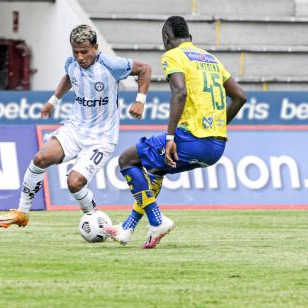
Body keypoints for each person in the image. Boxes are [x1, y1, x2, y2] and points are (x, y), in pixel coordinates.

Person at [104, 16, 247, 249]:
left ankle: (157, 220)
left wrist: (170, 137)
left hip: (191, 139)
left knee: (127, 159)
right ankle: (127, 228)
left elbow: (179, 92)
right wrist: (219, 125)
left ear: (166, 38)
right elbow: (240, 96)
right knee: (157, 169)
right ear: (190, 38)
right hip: (216, 147)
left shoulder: (173, 55)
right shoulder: (210, 59)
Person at [0, 24, 152, 228]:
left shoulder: (111, 64)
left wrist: (140, 100)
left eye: (84, 52)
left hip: (101, 138)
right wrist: (53, 101)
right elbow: (69, 76)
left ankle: (93, 215)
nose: (79, 57)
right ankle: (22, 213)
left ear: (95, 47)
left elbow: (145, 69)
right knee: (41, 158)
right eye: (75, 52)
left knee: (74, 183)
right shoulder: (72, 63)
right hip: (75, 129)